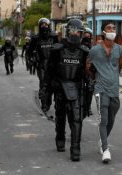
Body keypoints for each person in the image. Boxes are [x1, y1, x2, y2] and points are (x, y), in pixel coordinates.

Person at [43, 19, 89, 161]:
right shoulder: (57, 49)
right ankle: (60, 137)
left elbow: (88, 72)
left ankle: (75, 148)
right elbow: (49, 72)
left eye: (79, 32)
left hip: (76, 87)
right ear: (68, 32)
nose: (77, 34)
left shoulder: (84, 51)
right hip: (60, 88)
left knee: (76, 118)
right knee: (60, 115)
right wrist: (46, 91)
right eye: (74, 31)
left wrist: (90, 87)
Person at [87, 21, 122, 163]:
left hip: (114, 88)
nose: (112, 30)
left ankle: (102, 140)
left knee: (111, 117)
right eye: (109, 28)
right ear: (103, 31)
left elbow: (120, 65)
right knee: (103, 119)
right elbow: (87, 65)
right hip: (100, 88)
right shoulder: (95, 50)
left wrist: (113, 76)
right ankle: (106, 148)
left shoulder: (120, 49)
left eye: (114, 28)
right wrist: (95, 77)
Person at [28, 17, 58, 113]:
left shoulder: (54, 36)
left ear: (48, 25)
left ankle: (53, 103)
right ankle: (44, 104)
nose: (44, 26)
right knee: (43, 84)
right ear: (39, 26)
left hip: (53, 64)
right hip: (41, 64)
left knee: (53, 85)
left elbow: (59, 48)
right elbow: (29, 51)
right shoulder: (36, 38)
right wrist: (32, 58)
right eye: (42, 25)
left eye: (45, 24)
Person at [81, 28, 94, 116]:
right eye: (85, 34)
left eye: (88, 34)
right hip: (80, 69)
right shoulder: (79, 45)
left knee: (90, 89)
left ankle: (88, 107)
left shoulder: (93, 47)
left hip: (89, 70)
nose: (87, 35)